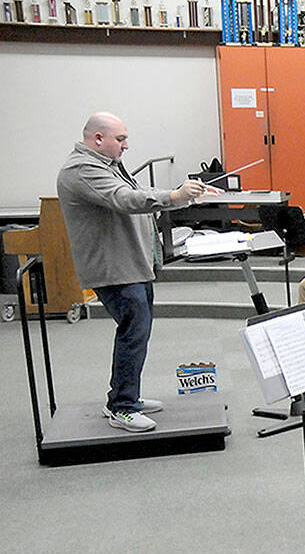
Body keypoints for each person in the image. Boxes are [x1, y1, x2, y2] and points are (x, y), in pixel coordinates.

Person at [56, 111, 218, 433]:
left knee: (136, 333)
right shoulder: (82, 169)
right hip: (114, 269)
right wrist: (173, 196)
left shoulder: (107, 164)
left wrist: (179, 199)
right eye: (120, 139)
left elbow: (137, 194)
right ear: (97, 138)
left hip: (131, 264)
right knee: (133, 333)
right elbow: (125, 199)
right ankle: (123, 407)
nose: (126, 145)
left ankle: (123, 396)